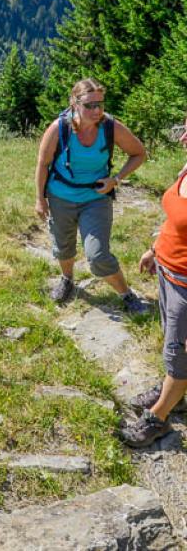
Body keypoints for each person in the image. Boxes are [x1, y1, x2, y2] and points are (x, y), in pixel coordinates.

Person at [35, 78, 148, 313]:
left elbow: (138, 153)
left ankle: (126, 294)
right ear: (74, 103)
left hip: (96, 197)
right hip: (60, 196)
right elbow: (43, 163)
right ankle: (67, 280)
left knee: (97, 255)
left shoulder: (110, 127)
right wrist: (40, 199)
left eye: (100, 104)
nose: (96, 111)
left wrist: (115, 180)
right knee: (63, 246)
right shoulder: (59, 128)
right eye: (89, 105)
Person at [120, 118, 187, 447]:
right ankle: (177, 397)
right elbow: (175, 220)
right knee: (173, 342)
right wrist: (155, 249)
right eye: (185, 127)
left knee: (179, 352)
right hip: (168, 273)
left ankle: (158, 418)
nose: (185, 135)